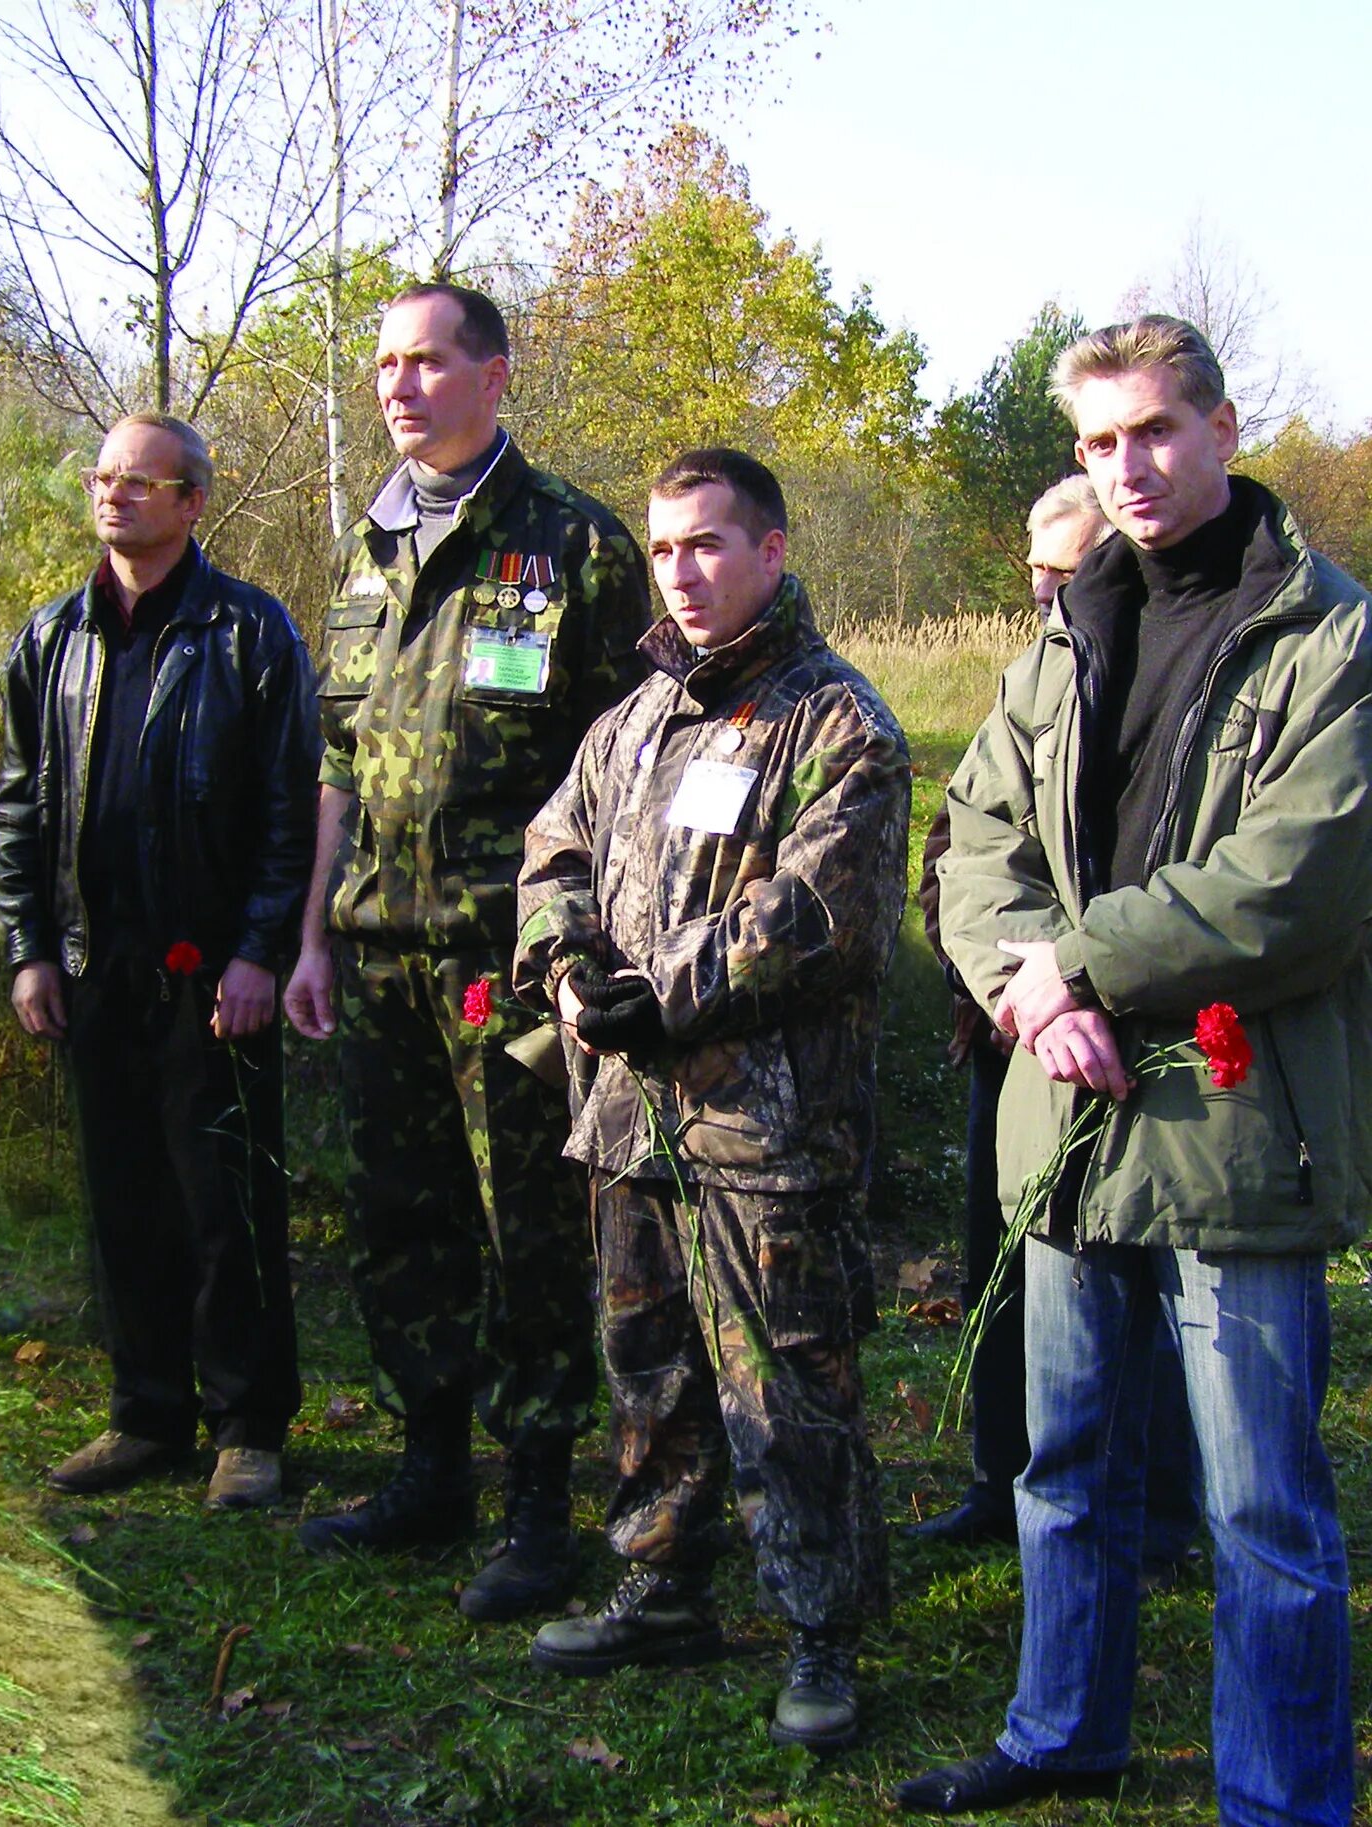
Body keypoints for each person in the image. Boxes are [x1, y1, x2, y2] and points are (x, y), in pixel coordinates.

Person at [908, 316, 1362, 1823]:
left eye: (1155, 431)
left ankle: (1281, 1797)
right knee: (1067, 1463)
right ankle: (1062, 1728)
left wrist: (1083, 960)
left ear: (1227, 426)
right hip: (1068, 1113)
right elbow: (976, 842)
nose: (1128, 469)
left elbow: (1301, 877)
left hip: (1235, 1124)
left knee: (1260, 1511)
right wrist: (1036, 993)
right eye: (1098, 444)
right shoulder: (1064, 634)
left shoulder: (1330, 636)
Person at [514, 448, 907, 1752]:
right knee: (652, 1371)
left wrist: (658, 992)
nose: (682, 570)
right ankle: (662, 1584)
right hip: (628, 1117)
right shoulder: (633, 719)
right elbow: (553, 847)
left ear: (772, 552)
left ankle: (822, 1633)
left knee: (789, 1382)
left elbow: (818, 913)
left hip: (765, 1130)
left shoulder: (840, 724)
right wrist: (569, 962)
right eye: (666, 545)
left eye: (710, 545)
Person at [285, 283, 650, 1622]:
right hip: (380, 950)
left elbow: (632, 765)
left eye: (430, 360)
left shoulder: (575, 546)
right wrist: (314, 928)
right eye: (385, 362)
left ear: (494, 375)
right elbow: (337, 753)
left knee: (530, 1236)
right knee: (405, 1221)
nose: (401, 384)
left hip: (514, 959)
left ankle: (543, 1503)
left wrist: (595, 953)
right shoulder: (368, 545)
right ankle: (427, 1468)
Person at [0, 413, 317, 1511]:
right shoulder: (51, 640)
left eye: (141, 482)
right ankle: (145, 1414)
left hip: (212, 973)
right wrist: (31, 949)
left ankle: (247, 1424)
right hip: (93, 968)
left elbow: (288, 810)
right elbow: (20, 810)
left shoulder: (250, 636)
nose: (114, 496)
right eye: (102, 478)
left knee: (223, 1200)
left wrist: (261, 951)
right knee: (124, 1199)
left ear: (192, 503)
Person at [906, 477, 1200, 1567]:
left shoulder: (1155, 669)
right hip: (1008, 1033)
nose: (1042, 582)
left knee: (1148, 1290)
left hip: (1129, 1042)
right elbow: (966, 846)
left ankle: (1161, 1509)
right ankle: (1003, 1479)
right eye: (1033, 563)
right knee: (1002, 1267)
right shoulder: (1035, 669)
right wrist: (993, 980)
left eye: (1063, 566)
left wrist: (1071, 982)